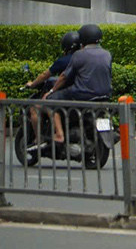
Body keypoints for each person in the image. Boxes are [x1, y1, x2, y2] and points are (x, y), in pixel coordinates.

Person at [39, 22, 114, 158]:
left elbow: (63, 76)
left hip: (82, 94)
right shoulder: (107, 54)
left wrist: (51, 91)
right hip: (105, 95)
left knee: (51, 101)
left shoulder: (79, 55)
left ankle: (59, 134)